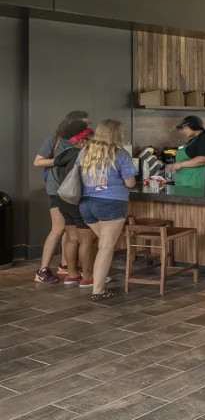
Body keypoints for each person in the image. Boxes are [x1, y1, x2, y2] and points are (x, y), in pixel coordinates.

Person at [77, 119, 137, 301]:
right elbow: (130, 183)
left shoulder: (85, 152)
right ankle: (98, 291)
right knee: (106, 247)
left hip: (86, 204)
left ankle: (99, 282)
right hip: (111, 203)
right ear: (116, 134)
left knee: (103, 244)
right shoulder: (121, 154)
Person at [33, 110, 89, 283]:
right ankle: (42, 270)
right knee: (58, 229)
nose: (88, 127)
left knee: (68, 228)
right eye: (85, 123)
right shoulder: (55, 140)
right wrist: (61, 160)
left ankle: (66, 265)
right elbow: (37, 161)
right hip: (57, 189)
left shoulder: (81, 143)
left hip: (71, 189)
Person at [51, 121, 96, 288]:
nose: (95, 143)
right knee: (86, 241)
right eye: (92, 139)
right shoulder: (85, 155)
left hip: (63, 200)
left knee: (72, 239)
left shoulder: (65, 153)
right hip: (79, 201)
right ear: (83, 140)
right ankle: (88, 277)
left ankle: (71, 275)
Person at [169, 116, 205, 190]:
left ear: (191, 126)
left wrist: (180, 164)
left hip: (200, 183)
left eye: (184, 128)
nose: (183, 131)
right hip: (188, 183)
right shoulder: (195, 140)